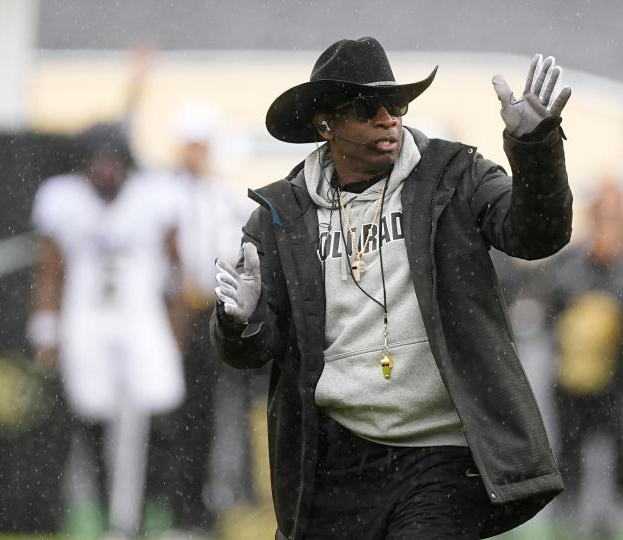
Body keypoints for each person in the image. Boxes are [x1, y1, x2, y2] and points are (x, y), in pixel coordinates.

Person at [211, 37, 573, 539]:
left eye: (397, 104)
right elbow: (253, 351)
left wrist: (535, 147)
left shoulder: (454, 174)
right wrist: (239, 319)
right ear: (325, 124)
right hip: (333, 462)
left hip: (441, 455)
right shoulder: (280, 218)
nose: (388, 119)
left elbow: (536, 235)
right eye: (366, 107)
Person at [28, 124, 185, 537]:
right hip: (87, 320)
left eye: (112, 165)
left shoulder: (154, 197)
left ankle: (152, 514)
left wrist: (177, 325)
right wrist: (46, 329)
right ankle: (107, 517)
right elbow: (49, 269)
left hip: (140, 318)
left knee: (160, 413)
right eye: (96, 166)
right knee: (92, 418)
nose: (105, 174)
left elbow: (176, 267)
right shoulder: (63, 199)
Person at [538, 183, 623, 538]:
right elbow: (548, 309)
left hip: (616, 381)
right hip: (570, 381)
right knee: (569, 458)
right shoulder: (571, 262)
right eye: (603, 214)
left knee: (622, 456)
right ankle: (565, 528)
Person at [164, 104, 255, 532]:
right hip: (171, 317)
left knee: (211, 416)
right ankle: (179, 506)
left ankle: (212, 504)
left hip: (212, 316)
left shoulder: (223, 197)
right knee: (176, 418)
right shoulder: (161, 193)